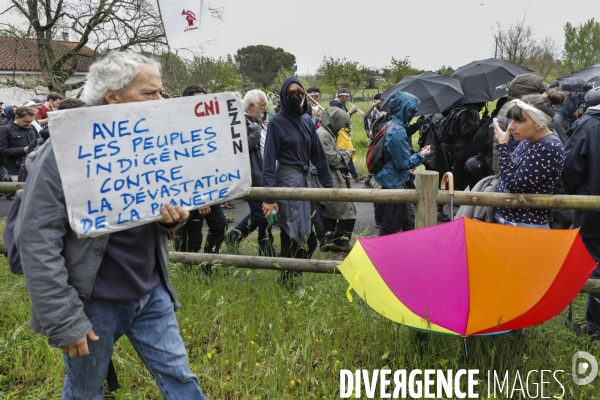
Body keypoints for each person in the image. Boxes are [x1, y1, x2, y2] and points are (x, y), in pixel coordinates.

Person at [14, 50, 206, 399]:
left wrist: (170, 221)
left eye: (161, 93)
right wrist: (65, 319)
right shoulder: (64, 152)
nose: (162, 101)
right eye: (150, 94)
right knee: (85, 392)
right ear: (112, 96)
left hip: (150, 293)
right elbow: (36, 240)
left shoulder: (152, 142)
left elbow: (153, 214)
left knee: (182, 381)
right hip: (93, 303)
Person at [262, 77, 333, 284]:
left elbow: (318, 155)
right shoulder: (276, 122)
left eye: (299, 93)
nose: (295, 96)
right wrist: (269, 196)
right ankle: (287, 283)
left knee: (311, 240)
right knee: (290, 235)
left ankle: (293, 276)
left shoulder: (307, 120)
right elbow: (268, 161)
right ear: (284, 95)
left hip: (305, 181)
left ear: (304, 96)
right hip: (286, 182)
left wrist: (329, 189)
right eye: (290, 93)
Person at [492, 92, 565, 228]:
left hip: (525, 225)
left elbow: (514, 185)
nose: (511, 126)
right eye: (512, 120)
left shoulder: (550, 147)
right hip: (511, 219)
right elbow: (511, 171)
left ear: (538, 124)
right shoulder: (530, 139)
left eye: (519, 121)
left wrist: (502, 146)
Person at [561, 87, 600, 338]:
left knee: (594, 261)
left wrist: (575, 194)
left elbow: (570, 169)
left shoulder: (587, 125)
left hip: (592, 208)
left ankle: (595, 328)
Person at [174, 85, 229, 262]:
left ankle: (208, 265)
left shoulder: (208, 127)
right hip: (188, 192)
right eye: (199, 101)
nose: (203, 105)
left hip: (210, 190)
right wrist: (199, 197)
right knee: (191, 237)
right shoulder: (179, 130)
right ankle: (188, 272)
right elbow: (181, 166)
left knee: (220, 226)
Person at [226, 90, 276, 256]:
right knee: (259, 213)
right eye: (262, 105)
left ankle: (265, 243)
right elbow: (240, 148)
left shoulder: (256, 122)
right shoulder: (240, 122)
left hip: (262, 173)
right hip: (253, 176)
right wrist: (255, 132)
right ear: (252, 105)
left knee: (267, 210)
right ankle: (234, 236)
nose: (265, 109)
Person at [374, 92, 430, 236]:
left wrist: (413, 153)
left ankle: (409, 253)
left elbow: (396, 155)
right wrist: (421, 155)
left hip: (393, 181)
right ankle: (384, 256)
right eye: (413, 109)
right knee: (390, 230)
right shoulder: (397, 131)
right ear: (404, 109)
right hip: (394, 185)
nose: (415, 112)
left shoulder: (388, 125)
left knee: (409, 222)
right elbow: (402, 164)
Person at [316, 107, 357, 252]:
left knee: (333, 211)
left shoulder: (327, 133)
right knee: (346, 209)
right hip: (328, 177)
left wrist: (343, 152)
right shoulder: (324, 135)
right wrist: (346, 155)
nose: (342, 127)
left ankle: (329, 241)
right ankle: (339, 241)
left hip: (330, 176)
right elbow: (331, 159)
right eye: (341, 123)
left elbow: (331, 155)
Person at [330, 88, 365, 182]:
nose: (347, 98)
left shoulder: (342, 104)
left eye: (348, 96)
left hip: (344, 133)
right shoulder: (334, 104)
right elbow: (339, 119)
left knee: (346, 152)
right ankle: (354, 174)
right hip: (339, 134)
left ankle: (350, 173)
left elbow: (346, 118)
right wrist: (350, 112)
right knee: (347, 152)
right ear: (340, 96)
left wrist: (351, 114)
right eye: (346, 96)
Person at [0, 106, 38, 182]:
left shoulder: (32, 128)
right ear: (17, 117)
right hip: (14, 173)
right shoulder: (5, 130)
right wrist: (24, 150)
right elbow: (1, 151)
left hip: (33, 171)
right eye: (26, 121)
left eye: (31, 121)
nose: (29, 124)